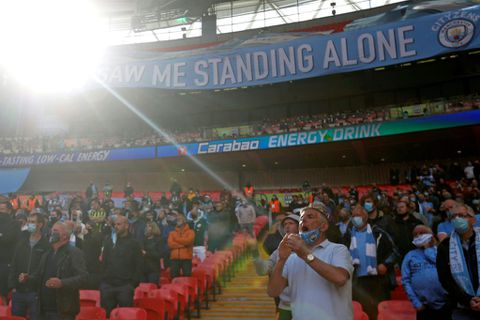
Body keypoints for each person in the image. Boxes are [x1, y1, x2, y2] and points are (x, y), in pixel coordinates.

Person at [267, 207, 353, 320]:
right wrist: (281, 260)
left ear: (323, 226)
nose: (303, 221)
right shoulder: (291, 258)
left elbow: (340, 278)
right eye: (302, 218)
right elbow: (273, 291)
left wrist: (305, 254)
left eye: (310, 217)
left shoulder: (337, 250)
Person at [344, 205, 398, 320]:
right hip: (356, 282)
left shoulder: (378, 233)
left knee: (378, 312)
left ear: (366, 217)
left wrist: (385, 264)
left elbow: (394, 252)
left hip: (377, 281)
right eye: (353, 216)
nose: (355, 218)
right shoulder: (347, 236)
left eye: (358, 215)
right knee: (359, 312)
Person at [27, 222, 88, 320]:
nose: (51, 233)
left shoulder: (74, 253)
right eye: (52, 230)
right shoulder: (47, 253)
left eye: (55, 231)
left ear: (64, 236)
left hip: (62, 311)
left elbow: (83, 278)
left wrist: (62, 283)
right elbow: (39, 276)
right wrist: (28, 278)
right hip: (42, 310)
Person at [437, 204, 480, 319]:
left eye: (461, 215)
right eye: (453, 216)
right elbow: (445, 279)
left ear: (473, 220)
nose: (457, 219)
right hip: (461, 307)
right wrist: (467, 300)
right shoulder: (445, 246)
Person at [255, 214, 300, 320]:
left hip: (306, 303)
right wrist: (254, 253)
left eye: (291, 223)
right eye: (285, 224)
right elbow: (264, 270)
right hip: (285, 304)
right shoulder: (279, 250)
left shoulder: (310, 246)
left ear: (299, 226)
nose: (287, 226)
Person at [402, 225, 451, 320]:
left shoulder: (441, 251)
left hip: (445, 304)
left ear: (431, 235)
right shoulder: (410, 255)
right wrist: (416, 303)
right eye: (415, 235)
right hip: (423, 306)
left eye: (422, 233)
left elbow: (441, 263)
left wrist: (428, 248)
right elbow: (405, 281)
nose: (419, 236)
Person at [9, 213, 50, 320]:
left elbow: (44, 269)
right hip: (18, 291)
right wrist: (13, 286)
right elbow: (14, 264)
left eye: (32, 222)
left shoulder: (46, 245)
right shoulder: (21, 242)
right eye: (28, 222)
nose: (29, 224)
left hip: (35, 292)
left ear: (40, 224)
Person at [100, 215, 143, 316]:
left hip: (125, 286)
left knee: (125, 315)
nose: (116, 226)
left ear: (127, 226)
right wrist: (103, 280)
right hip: (108, 285)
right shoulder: (109, 241)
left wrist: (132, 284)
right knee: (106, 315)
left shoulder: (134, 243)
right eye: (115, 224)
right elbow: (104, 261)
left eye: (119, 224)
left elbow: (139, 264)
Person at [0, 200, 21, 304]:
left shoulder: (15, 224)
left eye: (2, 209)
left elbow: (9, 238)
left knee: (5, 292)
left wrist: (2, 236)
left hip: (7, 263)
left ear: (9, 211)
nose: (0, 212)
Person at [167, 213, 195, 278]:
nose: (178, 220)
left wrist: (176, 239)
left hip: (186, 259)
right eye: (177, 219)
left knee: (187, 277)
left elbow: (188, 241)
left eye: (180, 219)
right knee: (174, 277)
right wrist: (183, 245)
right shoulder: (172, 233)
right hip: (174, 259)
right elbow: (170, 244)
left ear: (184, 220)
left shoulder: (191, 232)